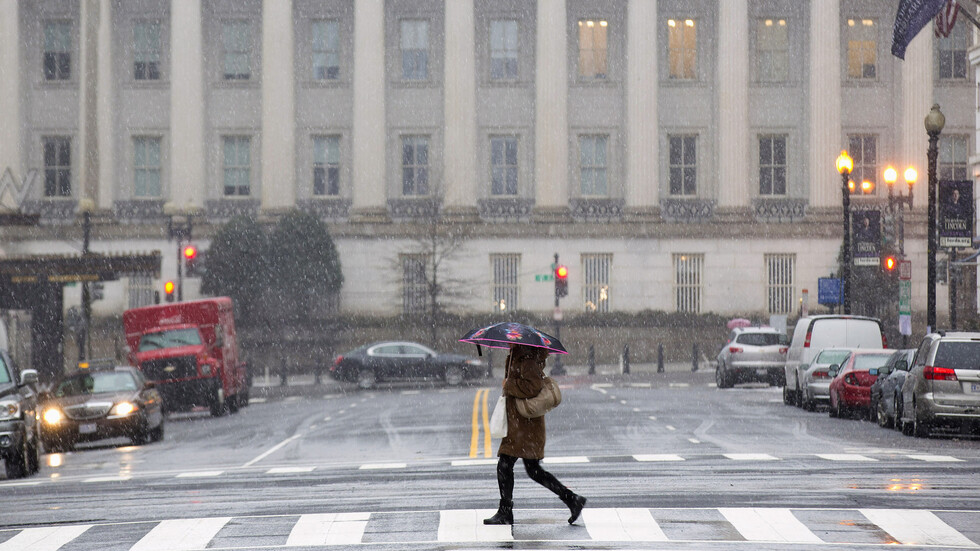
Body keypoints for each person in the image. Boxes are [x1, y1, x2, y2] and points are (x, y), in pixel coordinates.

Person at [484, 343, 586, 526]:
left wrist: (509, 385)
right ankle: (572, 499)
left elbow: (532, 386)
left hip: (525, 427)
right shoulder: (519, 353)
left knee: (506, 465)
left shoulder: (527, 357)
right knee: (532, 470)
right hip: (521, 425)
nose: (507, 341)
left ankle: (505, 512)